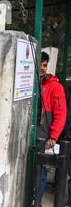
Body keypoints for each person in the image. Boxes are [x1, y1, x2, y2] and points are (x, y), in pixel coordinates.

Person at [37, 52, 67, 194]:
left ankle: (36, 205)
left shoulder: (55, 87)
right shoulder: (31, 82)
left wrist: (53, 136)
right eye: (40, 64)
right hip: (33, 134)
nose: (42, 68)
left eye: (44, 65)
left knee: (39, 171)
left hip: (44, 136)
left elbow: (61, 114)